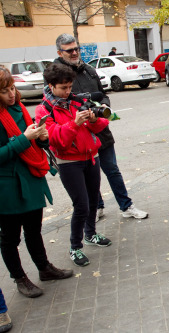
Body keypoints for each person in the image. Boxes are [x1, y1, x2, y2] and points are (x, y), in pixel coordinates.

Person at [52, 34, 148, 222]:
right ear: (59, 52)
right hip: (78, 136)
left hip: (100, 131)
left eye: (76, 49)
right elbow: (54, 106)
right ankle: (96, 207)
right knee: (89, 176)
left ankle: (126, 206)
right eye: (69, 50)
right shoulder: (55, 75)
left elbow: (102, 95)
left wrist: (103, 108)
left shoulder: (88, 70)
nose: (74, 53)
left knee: (111, 169)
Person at [0, 67, 73, 298]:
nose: (12, 94)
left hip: (31, 177)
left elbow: (33, 142)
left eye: (12, 88)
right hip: (8, 186)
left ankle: (44, 268)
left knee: (34, 230)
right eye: (4, 91)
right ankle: (19, 278)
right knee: (10, 237)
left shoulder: (19, 107)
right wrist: (24, 139)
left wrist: (41, 138)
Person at [36, 63, 112, 267]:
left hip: (90, 157)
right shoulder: (44, 110)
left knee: (94, 200)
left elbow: (100, 126)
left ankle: (90, 234)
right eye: (63, 88)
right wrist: (75, 123)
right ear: (51, 86)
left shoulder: (75, 102)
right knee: (81, 205)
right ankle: (75, 247)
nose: (68, 91)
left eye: (70, 87)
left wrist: (94, 119)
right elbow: (56, 140)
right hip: (69, 162)